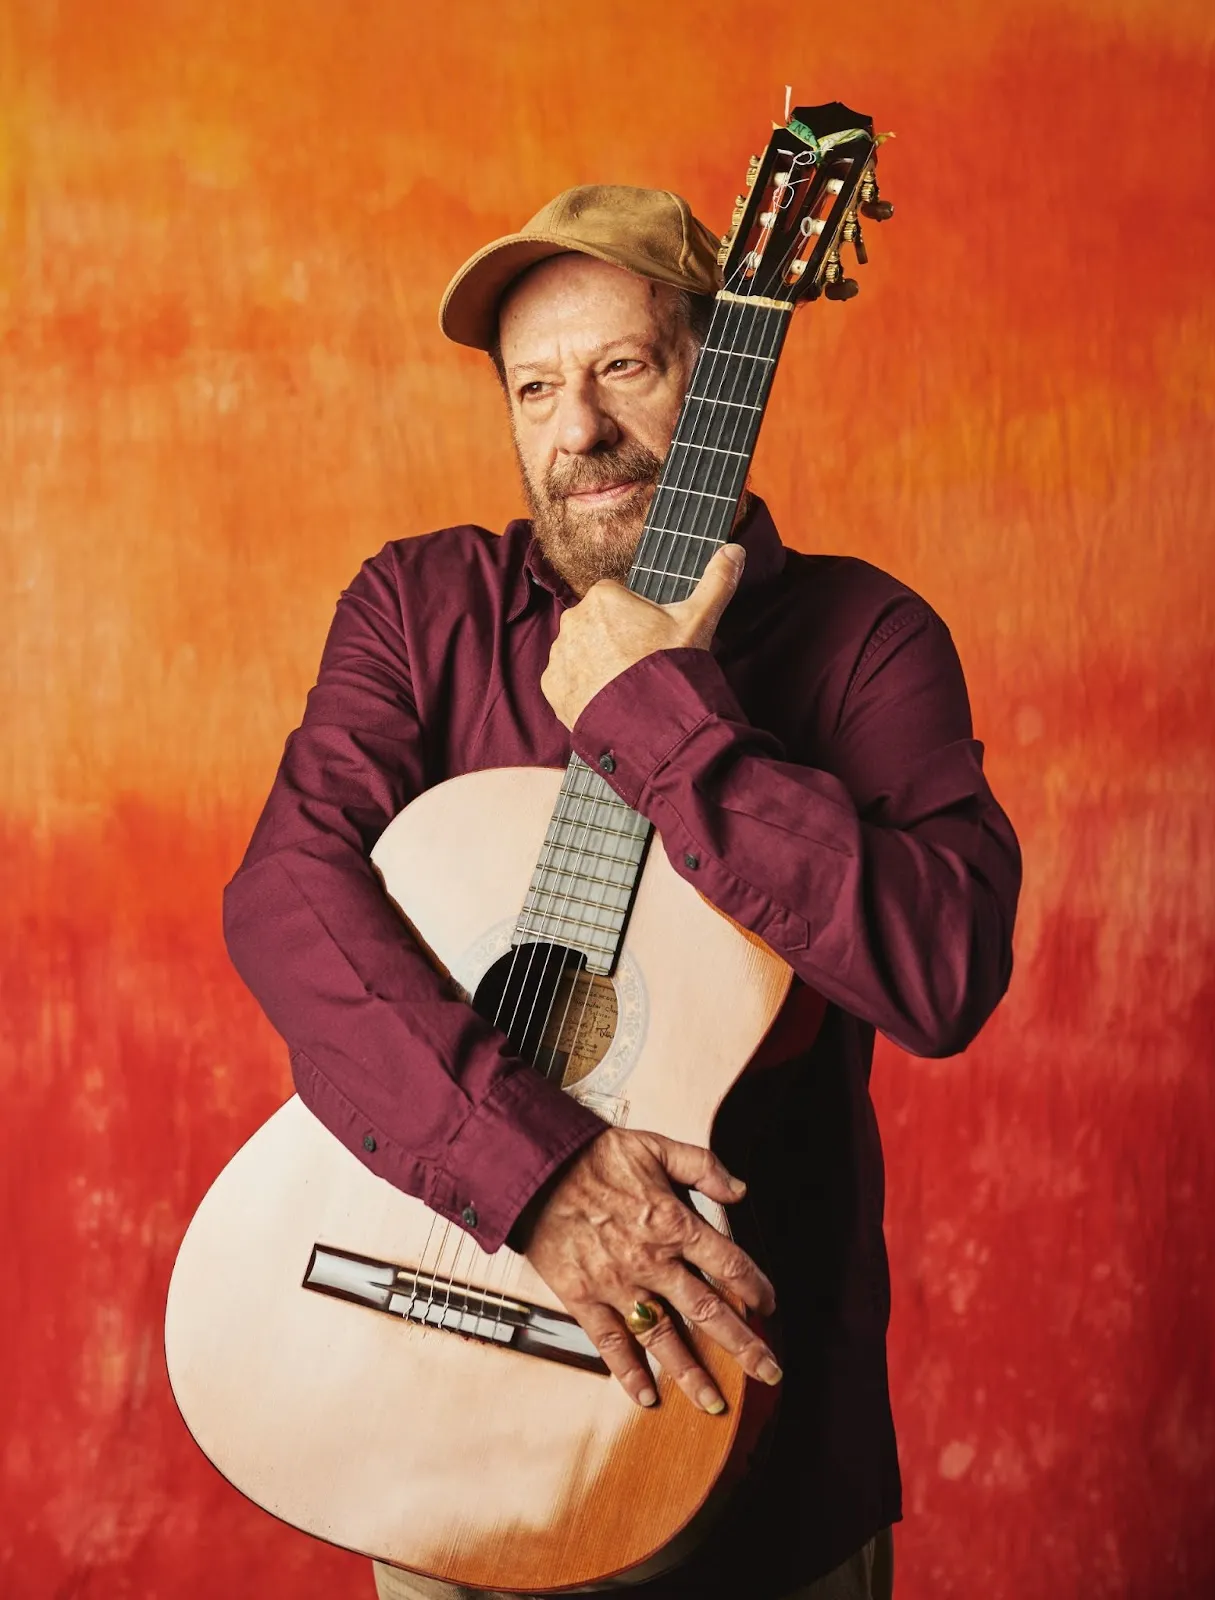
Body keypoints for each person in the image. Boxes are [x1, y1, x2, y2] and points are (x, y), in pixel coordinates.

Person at [222, 184, 1022, 1600]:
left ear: (719, 374)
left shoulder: (867, 641)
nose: (575, 430)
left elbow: (939, 967)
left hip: (747, 1448)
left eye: (622, 370)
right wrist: (533, 1169)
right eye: (534, 387)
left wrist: (655, 713)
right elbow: (289, 896)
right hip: (425, 1417)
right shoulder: (416, 612)